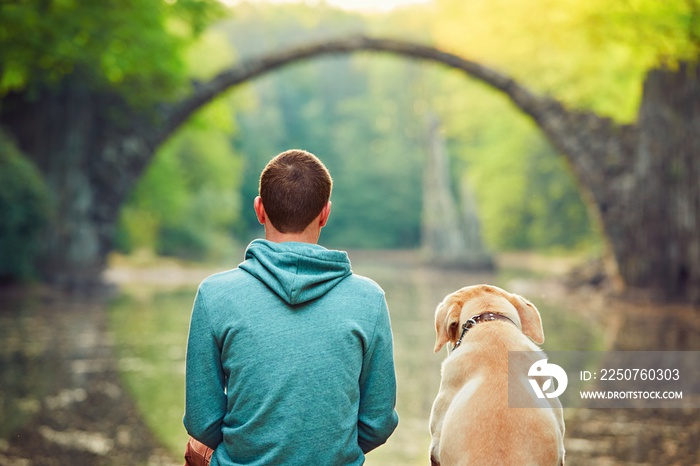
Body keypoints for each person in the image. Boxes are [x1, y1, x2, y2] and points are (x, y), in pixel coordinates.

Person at [183, 149, 399, 465]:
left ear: (259, 210)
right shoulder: (369, 299)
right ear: (325, 213)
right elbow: (378, 423)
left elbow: (202, 422)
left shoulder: (215, 294)